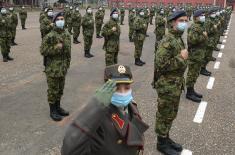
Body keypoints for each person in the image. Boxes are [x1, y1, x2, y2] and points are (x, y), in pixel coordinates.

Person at [61, 64, 149, 155]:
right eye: (116, 88)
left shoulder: (132, 105)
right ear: (107, 88)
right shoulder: (97, 117)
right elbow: (69, 151)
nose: (123, 93)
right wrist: (96, 105)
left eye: (127, 87)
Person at [153, 10, 188, 155]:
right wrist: (181, 58)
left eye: (186, 20)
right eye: (181, 20)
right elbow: (160, 65)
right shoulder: (167, 41)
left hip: (175, 84)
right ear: (173, 22)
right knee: (164, 114)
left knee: (171, 113)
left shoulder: (178, 38)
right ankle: (161, 143)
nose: (184, 23)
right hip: (167, 86)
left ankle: (166, 137)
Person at [40, 12, 71, 121]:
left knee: (60, 90)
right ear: (54, 22)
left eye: (62, 19)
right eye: (58, 19)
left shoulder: (66, 34)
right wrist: (56, 47)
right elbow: (42, 50)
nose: (61, 21)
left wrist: (67, 64)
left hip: (62, 68)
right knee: (53, 90)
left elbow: (68, 52)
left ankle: (58, 107)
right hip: (52, 69)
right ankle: (52, 110)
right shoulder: (50, 35)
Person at [186, 9, 207, 103]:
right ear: (196, 17)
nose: (203, 16)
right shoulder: (194, 27)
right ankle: (189, 93)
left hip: (199, 54)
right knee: (192, 74)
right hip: (194, 55)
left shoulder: (200, 26)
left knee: (195, 73)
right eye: (201, 15)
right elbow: (192, 40)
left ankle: (192, 90)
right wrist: (204, 36)